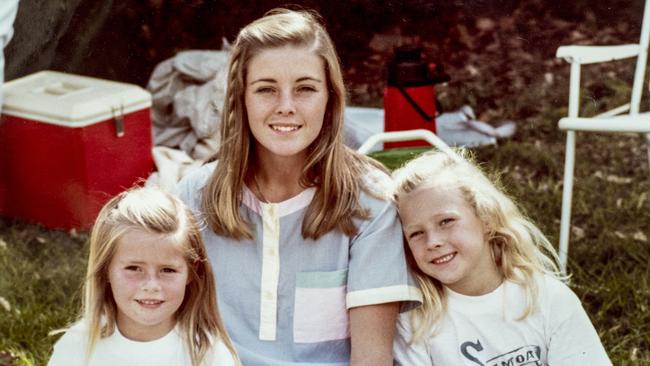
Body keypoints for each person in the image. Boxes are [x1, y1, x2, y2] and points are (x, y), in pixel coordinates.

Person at [175, 8, 421, 365]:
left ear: (330, 98)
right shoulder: (193, 196)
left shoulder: (371, 202)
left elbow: (371, 357)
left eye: (305, 88)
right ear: (241, 99)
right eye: (266, 90)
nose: (286, 106)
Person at [391, 150, 612, 366]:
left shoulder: (546, 297)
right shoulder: (414, 321)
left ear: (486, 219)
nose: (433, 242)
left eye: (446, 221)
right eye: (416, 233)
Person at [48, 187, 239, 366]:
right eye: (134, 268)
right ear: (106, 269)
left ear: (191, 272)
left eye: (168, 270)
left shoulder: (208, 356)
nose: (151, 285)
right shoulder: (76, 348)